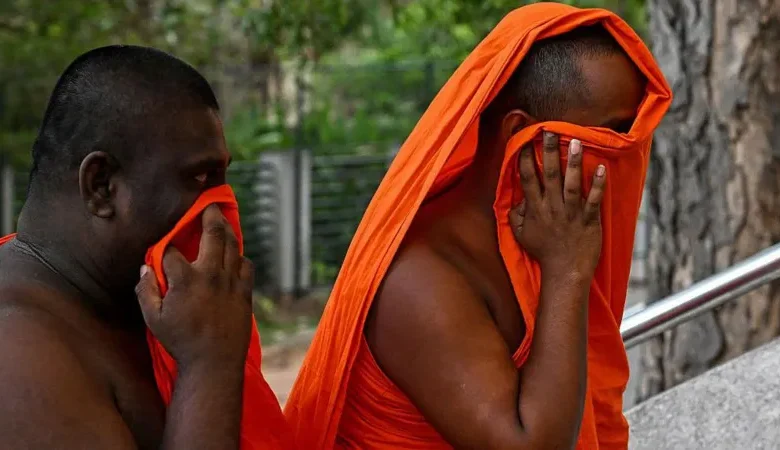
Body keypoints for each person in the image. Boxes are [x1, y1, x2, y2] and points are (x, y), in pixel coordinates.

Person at [284, 4, 672, 450]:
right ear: (521, 137)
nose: (626, 155)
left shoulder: (543, 237)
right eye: (612, 134)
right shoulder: (421, 279)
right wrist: (567, 272)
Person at [0, 45, 291, 449]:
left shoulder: (137, 305)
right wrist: (208, 366)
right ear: (101, 186)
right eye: (199, 178)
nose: (220, 213)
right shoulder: (18, 357)